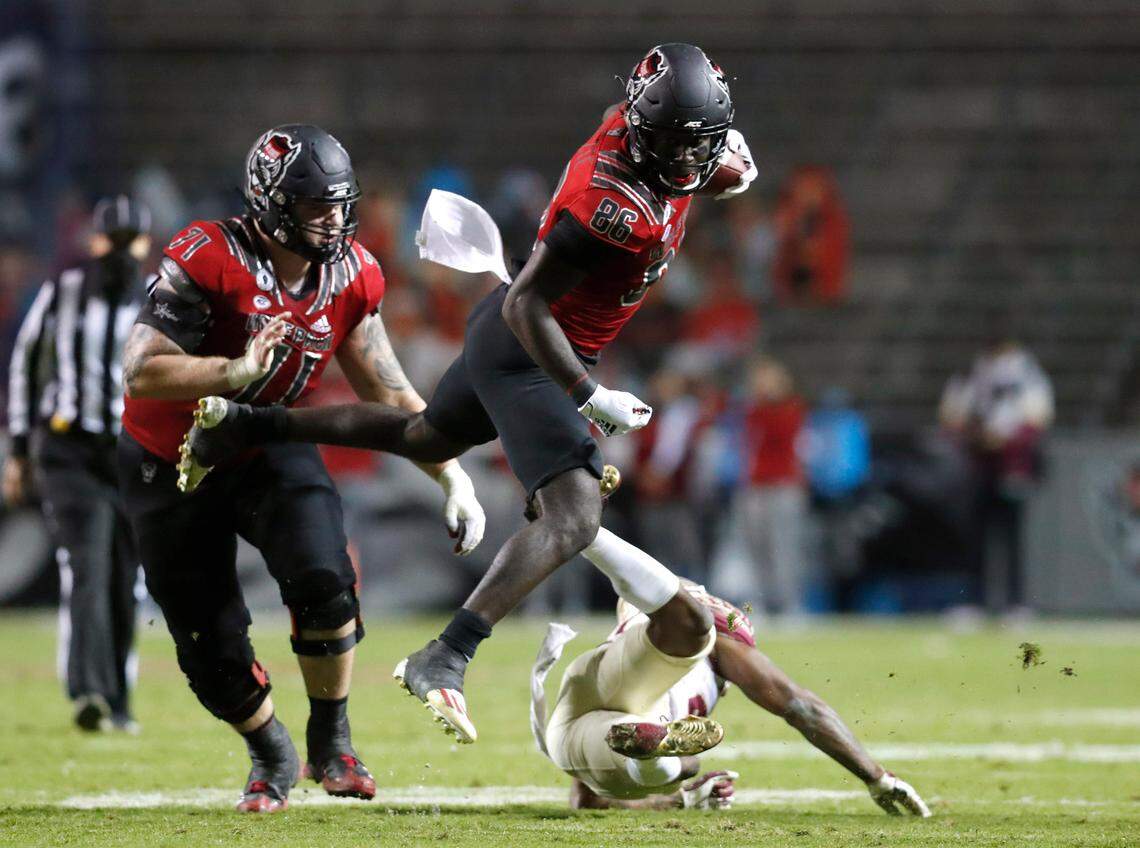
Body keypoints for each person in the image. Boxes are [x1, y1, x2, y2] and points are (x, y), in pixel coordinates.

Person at [180, 44, 757, 745]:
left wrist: (707, 169)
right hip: (530, 349)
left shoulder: (657, 149)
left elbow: (690, 163)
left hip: (524, 342)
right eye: (678, 143)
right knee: (573, 517)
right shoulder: (610, 204)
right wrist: (584, 392)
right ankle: (445, 655)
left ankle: (246, 425)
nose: (692, 156)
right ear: (644, 134)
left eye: (699, 142)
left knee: (424, 437)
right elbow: (525, 307)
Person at [116, 125, 485, 812]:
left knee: (325, 579)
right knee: (206, 640)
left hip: (263, 444)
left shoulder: (350, 275)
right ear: (271, 203)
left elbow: (393, 394)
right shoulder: (210, 256)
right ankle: (269, 751)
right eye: (316, 206)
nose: (334, 220)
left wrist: (451, 475)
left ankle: (332, 737)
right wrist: (233, 369)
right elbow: (138, 371)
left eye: (340, 204)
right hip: (166, 459)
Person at [530, 570, 930, 817]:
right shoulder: (721, 645)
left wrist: (680, 803)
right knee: (686, 765)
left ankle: (657, 751)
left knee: (652, 755)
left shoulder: (627, 639)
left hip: (584, 719)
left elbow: (587, 800)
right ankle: (662, 752)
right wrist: (876, 776)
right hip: (634, 737)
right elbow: (801, 707)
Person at [4, 196, 151, 733]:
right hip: (70, 451)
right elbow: (26, 367)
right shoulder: (61, 294)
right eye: (112, 239)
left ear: (145, 244)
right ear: (95, 242)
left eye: (129, 239)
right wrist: (20, 450)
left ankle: (119, 697)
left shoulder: (158, 300)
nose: (119, 251)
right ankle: (89, 689)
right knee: (88, 565)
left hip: (132, 453)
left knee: (126, 577)